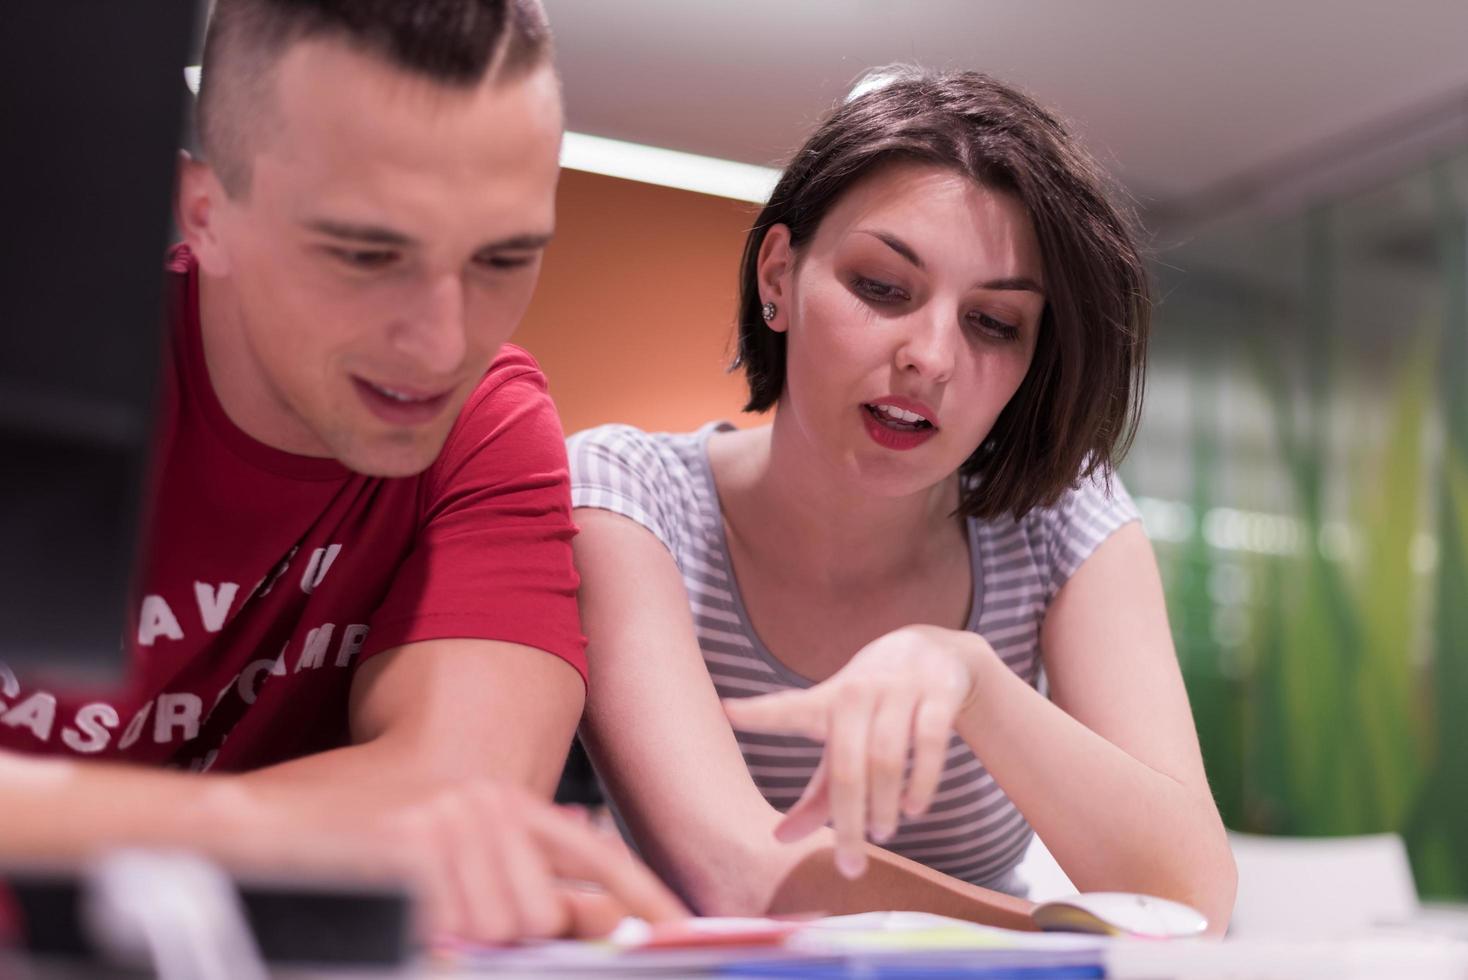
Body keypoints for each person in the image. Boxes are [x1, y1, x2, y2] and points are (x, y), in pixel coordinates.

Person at [0, 0, 683, 945]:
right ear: (206, 212)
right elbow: (420, 828)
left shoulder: (489, 418)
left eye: (503, 257)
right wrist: (268, 827)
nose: (444, 343)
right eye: (367, 254)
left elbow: (461, 796)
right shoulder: (38, 372)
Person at [568, 66, 1237, 932]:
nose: (931, 356)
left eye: (994, 324)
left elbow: (1196, 902)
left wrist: (969, 680)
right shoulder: (625, 497)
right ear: (778, 276)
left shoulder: (1061, 516)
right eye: (883, 287)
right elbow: (741, 875)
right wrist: (1065, 935)